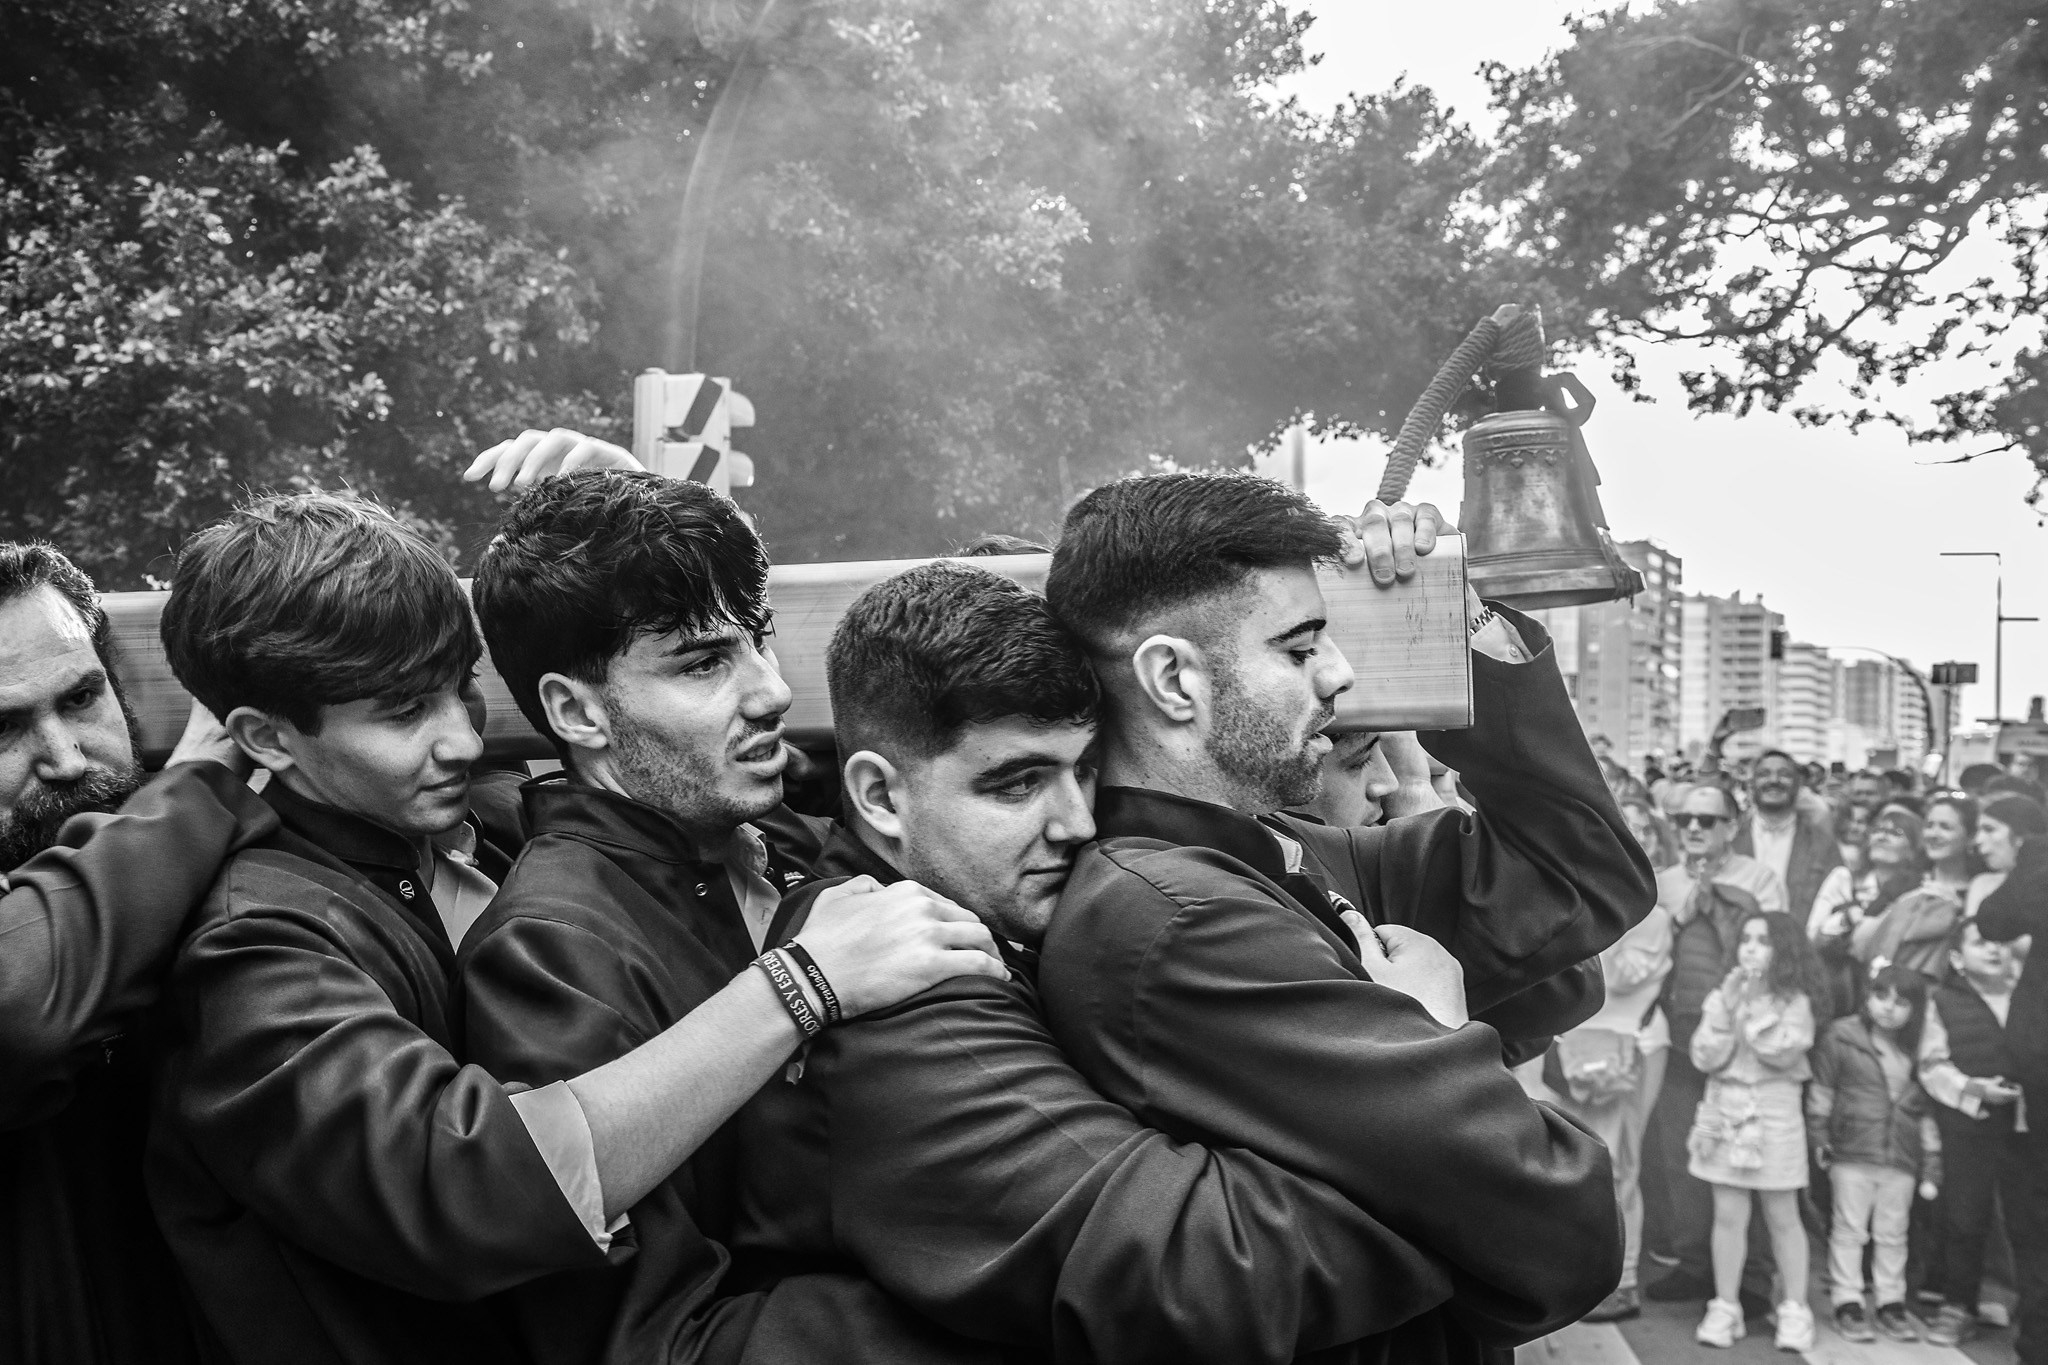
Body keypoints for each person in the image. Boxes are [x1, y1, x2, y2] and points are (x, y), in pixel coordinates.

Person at [147, 491, 994, 1365]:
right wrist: (800, 985)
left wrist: (632, 530)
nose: (463, 740)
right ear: (267, 737)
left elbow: (656, 769)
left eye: (461, 686)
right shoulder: (253, 943)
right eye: (403, 713)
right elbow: (464, 1186)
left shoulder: (480, 822)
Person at [734, 559, 1592, 1361]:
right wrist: (1446, 1129)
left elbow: (1565, 897)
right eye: (1016, 783)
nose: (1074, 823)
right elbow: (1199, 1275)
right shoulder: (896, 978)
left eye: (1084, 772)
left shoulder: (990, 912)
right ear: (880, 795)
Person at [1032, 473, 1646, 1362]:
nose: (1340, 673)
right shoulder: (1178, 919)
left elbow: (1579, 873)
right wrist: (1434, 1029)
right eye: (1298, 648)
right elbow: (1561, 1220)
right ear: (1171, 678)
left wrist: (1461, 616)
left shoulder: (1275, 849)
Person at [0, 543, 285, 1365]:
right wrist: (195, 784)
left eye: (81, 697)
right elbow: (19, 1013)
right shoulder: (191, 808)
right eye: (2, 727)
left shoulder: (226, 846)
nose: (65, 758)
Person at [1642, 782, 1785, 1308]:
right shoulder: (1662, 884)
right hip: (1679, 1037)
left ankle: (1754, 1278)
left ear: (1732, 826)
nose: (1694, 828)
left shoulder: (1759, 879)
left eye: (1707, 819)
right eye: (1684, 820)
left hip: (1744, 1041)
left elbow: (1775, 953)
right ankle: (1694, 1265)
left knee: (1749, 1153)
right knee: (1685, 1150)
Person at [1685, 910, 1826, 1350]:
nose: (1751, 948)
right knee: (1728, 1214)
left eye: (1763, 940)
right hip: (1724, 1107)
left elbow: (1779, 1052)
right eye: (1746, 938)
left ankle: (1795, 1309)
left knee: (1783, 1214)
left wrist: (1751, 1008)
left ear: (1784, 950)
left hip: (1774, 1110)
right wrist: (1727, 1008)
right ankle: (1725, 1306)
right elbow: (1704, 1056)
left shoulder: (1794, 1002)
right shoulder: (1722, 995)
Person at [1554, 890, 1675, 1323]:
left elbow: (1619, 978)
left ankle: (1622, 1282)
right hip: (1573, 1048)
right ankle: (1583, 1275)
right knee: (1577, 1163)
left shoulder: (1651, 918)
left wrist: (1595, 922)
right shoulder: (1574, 905)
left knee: (1619, 1167)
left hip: (1630, 1050)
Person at [1807, 965, 1943, 1344]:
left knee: (1894, 1232)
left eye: (1901, 1002)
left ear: (1916, 1009)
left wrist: (1932, 1162)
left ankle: (1890, 1302)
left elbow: (1927, 1113)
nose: (1888, 1008)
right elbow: (1822, 1093)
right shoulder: (1841, 1037)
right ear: (1867, 997)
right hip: (1851, 1150)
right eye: (1881, 996)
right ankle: (1847, 1300)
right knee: (1848, 1229)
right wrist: (1819, 1138)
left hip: (1901, 1156)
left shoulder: (1922, 1051)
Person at [1918, 918, 2035, 1352]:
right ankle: (1959, 1305)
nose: (1993, 950)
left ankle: (2033, 1313)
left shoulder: (2030, 996)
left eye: (2000, 943)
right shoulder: (1944, 1002)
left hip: (2030, 1126)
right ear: (1956, 958)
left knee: (2031, 1219)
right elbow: (1931, 1065)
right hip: (1970, 1124)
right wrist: (1973, 1088)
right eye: (1981, 943)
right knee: (1965, 1216)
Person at [1853, 794, 1978, 980]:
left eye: (1945, 827)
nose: (1933, 834)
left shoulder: (1979, 890)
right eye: (1929, 826)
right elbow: (1863, 937)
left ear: (1970, 837)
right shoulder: (1906, 883)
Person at [1734, 749, 1841, 926]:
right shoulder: (1731, 840)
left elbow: (1837, 905)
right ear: (1751, 784)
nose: (1774, 780)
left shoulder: (1822, 844)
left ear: (1798, 785)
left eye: (1784, 775)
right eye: (1764, 774)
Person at [1969, 793, 2047, 918]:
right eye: (1978, 831)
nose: (1978, 840)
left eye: (1989, 829)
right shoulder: (1982, 884)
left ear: (2022, 835)